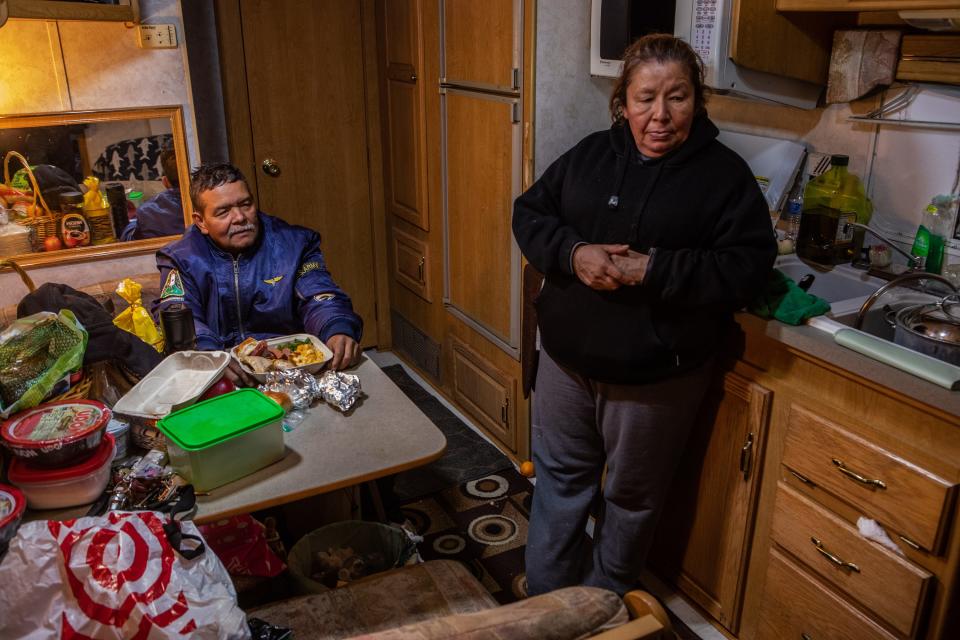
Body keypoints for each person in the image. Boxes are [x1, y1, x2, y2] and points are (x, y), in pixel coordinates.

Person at [512, 34, 776, 596]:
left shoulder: (724, 178)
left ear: (697, 102)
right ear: (623, 104)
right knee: (559, 483)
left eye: (676, 97)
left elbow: (745, 269)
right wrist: (573, 253)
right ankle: (546, 604)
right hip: (566, 359)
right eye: (645, 98)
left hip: (656, 374)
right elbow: (530, 212)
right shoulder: (589, 155)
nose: (660, 115)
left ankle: (604, 606)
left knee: (630, 499)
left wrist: (651, 271)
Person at [155, 163, 362, 385]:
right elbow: (181, 318)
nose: (240, 218)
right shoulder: (180, 259)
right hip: (221, 373)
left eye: (246, 204)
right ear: (201, 222)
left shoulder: (294, 245)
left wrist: (335, 327)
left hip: (290, 368)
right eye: (223, 211)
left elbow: (319, 295)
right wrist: (210, 356)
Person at [121, 145, 186, 240]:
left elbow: (128, 240)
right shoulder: (210, 200)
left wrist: (134, 221)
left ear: (165, 182)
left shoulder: (147, 212)